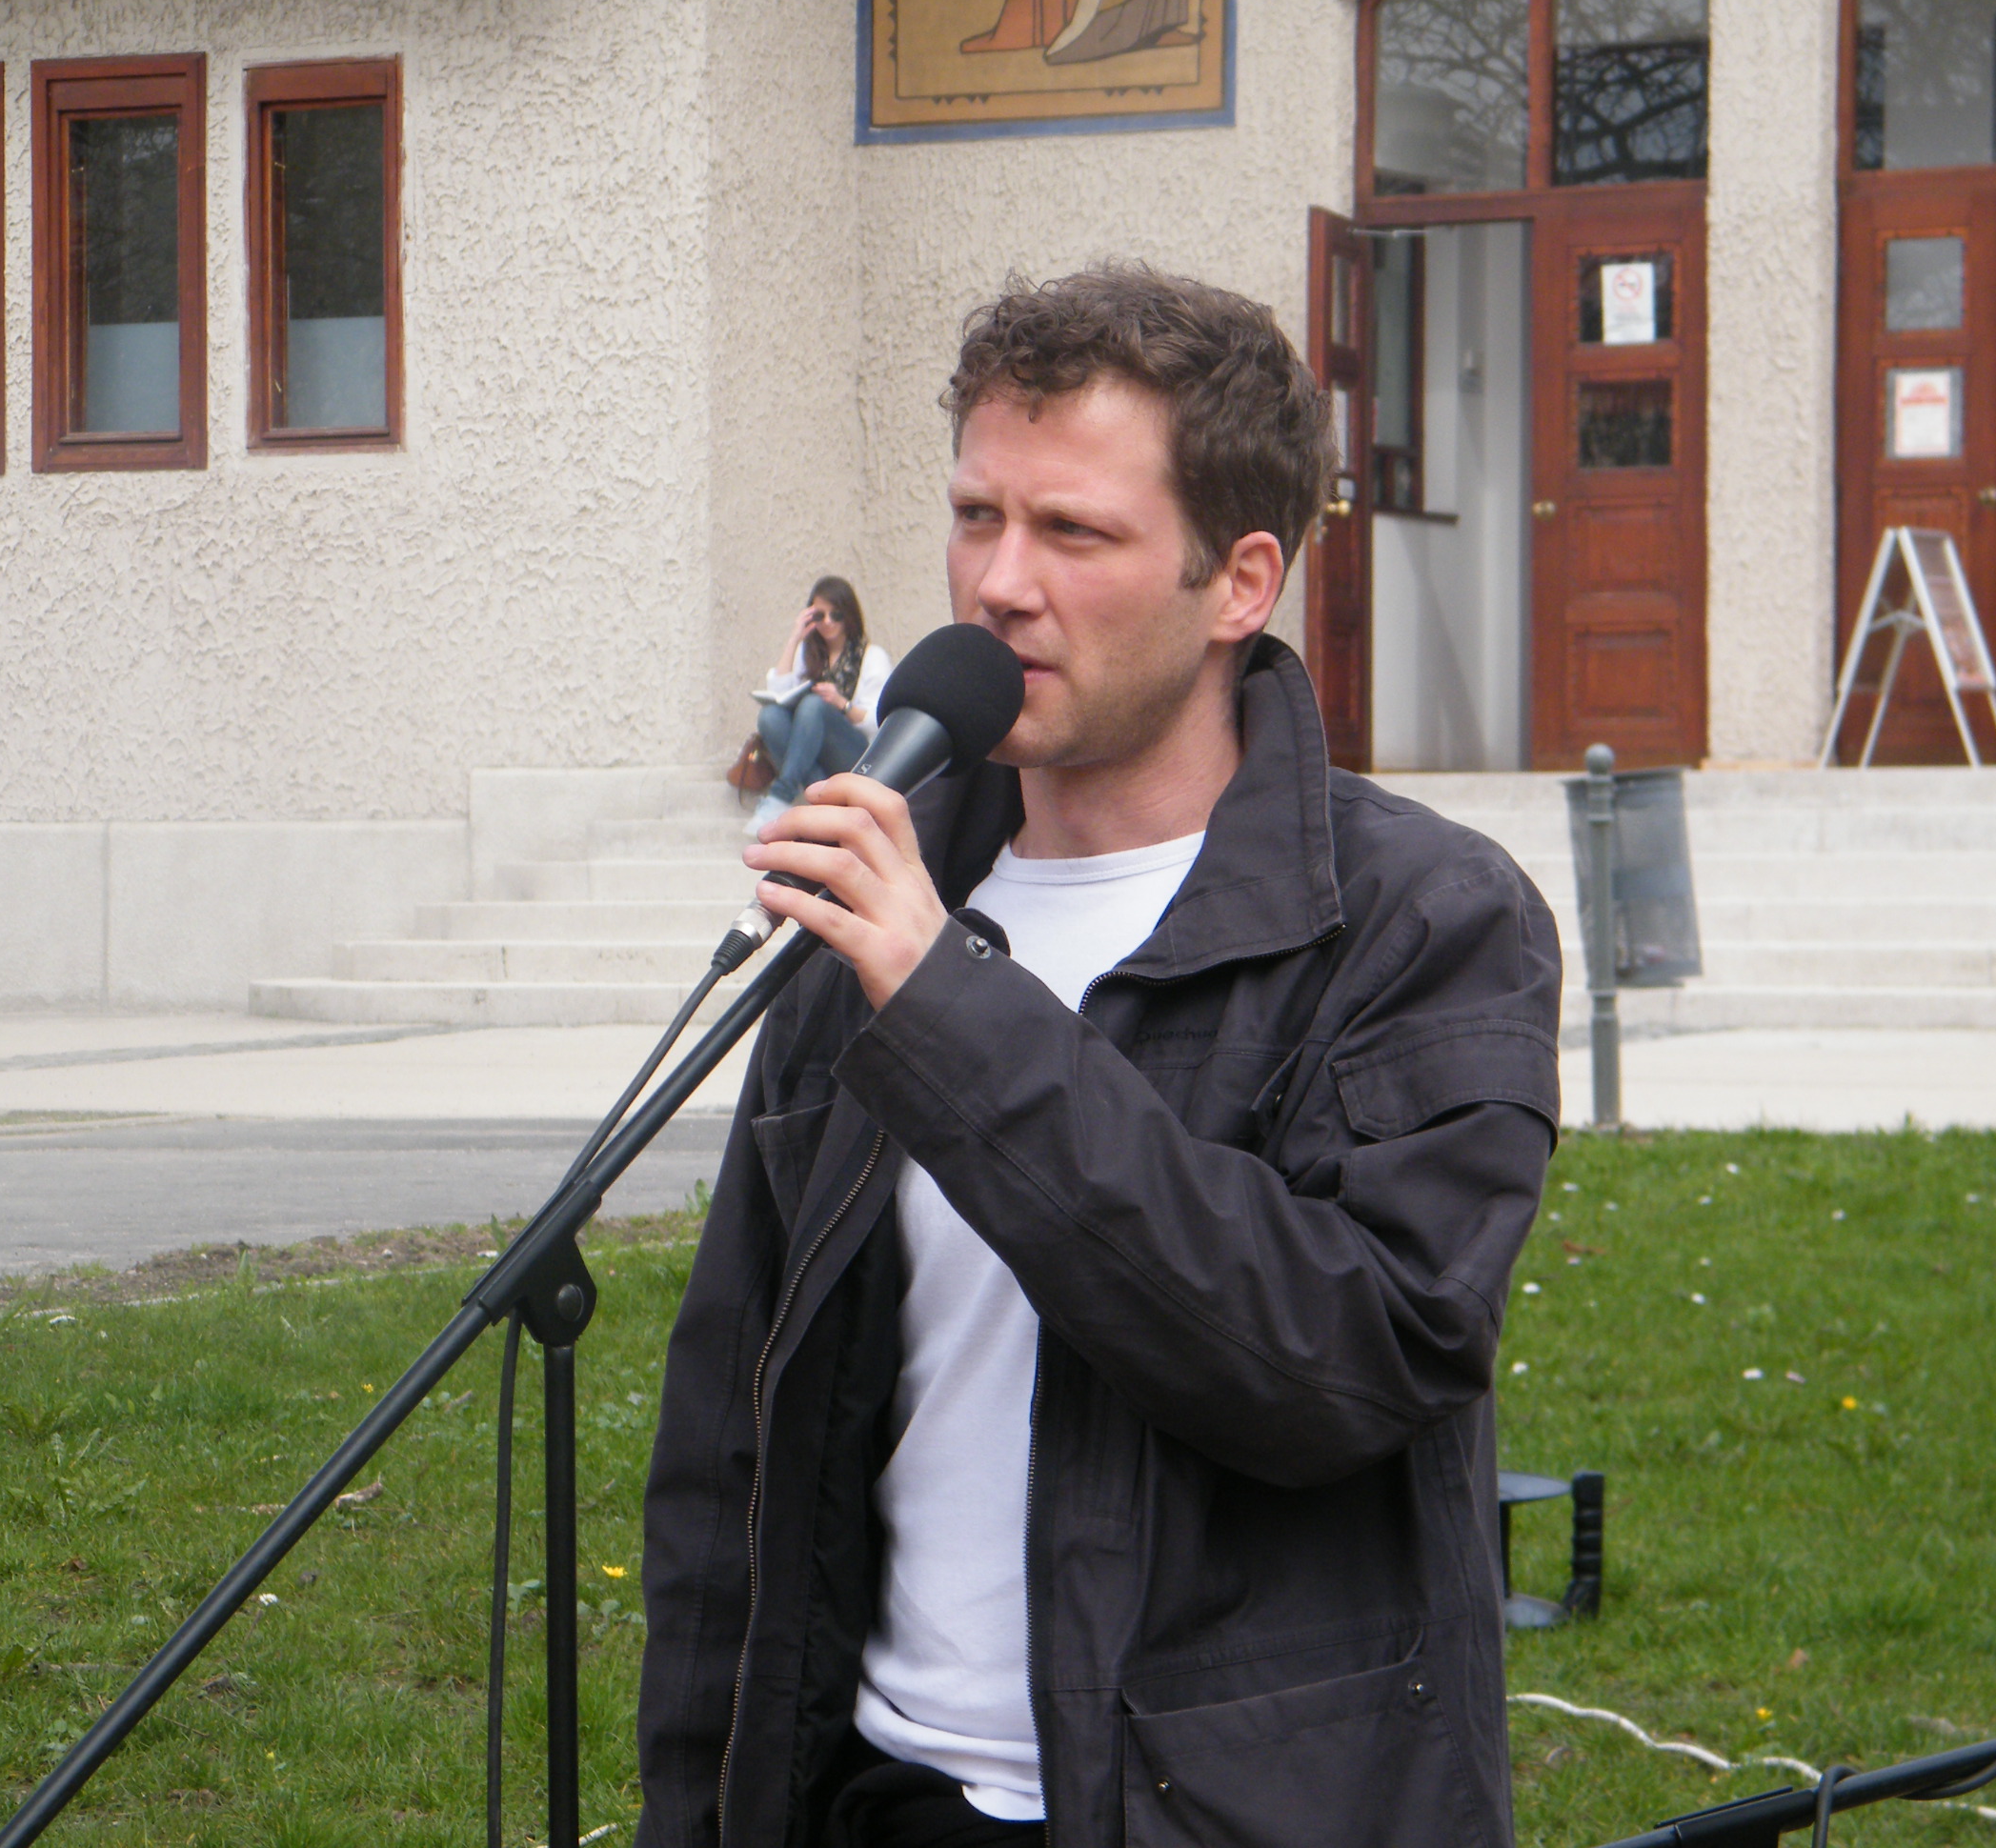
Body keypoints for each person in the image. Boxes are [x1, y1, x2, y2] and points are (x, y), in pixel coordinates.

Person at [635, 266, 1562, 1848]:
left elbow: (1343, 1362)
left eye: (1072, 532)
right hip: (881, 1791)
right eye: (975, 515)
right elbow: (734, 1437)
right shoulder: (889, 891)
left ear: (1240, 581)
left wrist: (949, 1008)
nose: (997, 583)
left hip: (1229, 1812)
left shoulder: (1424, 919)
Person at [748, 575, 895, 837]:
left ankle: (781, 795)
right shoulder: (809, 653)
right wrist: (794, 639)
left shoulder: (872, 657)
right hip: (814, 754)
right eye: (819, 615)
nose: (827, 622)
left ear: (849, 615)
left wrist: (841, 704)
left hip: (857, 754)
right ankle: (822, 802)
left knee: (814, 705)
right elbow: (778, 692)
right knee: (770, 716)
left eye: (835, 615)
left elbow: (880, 723)